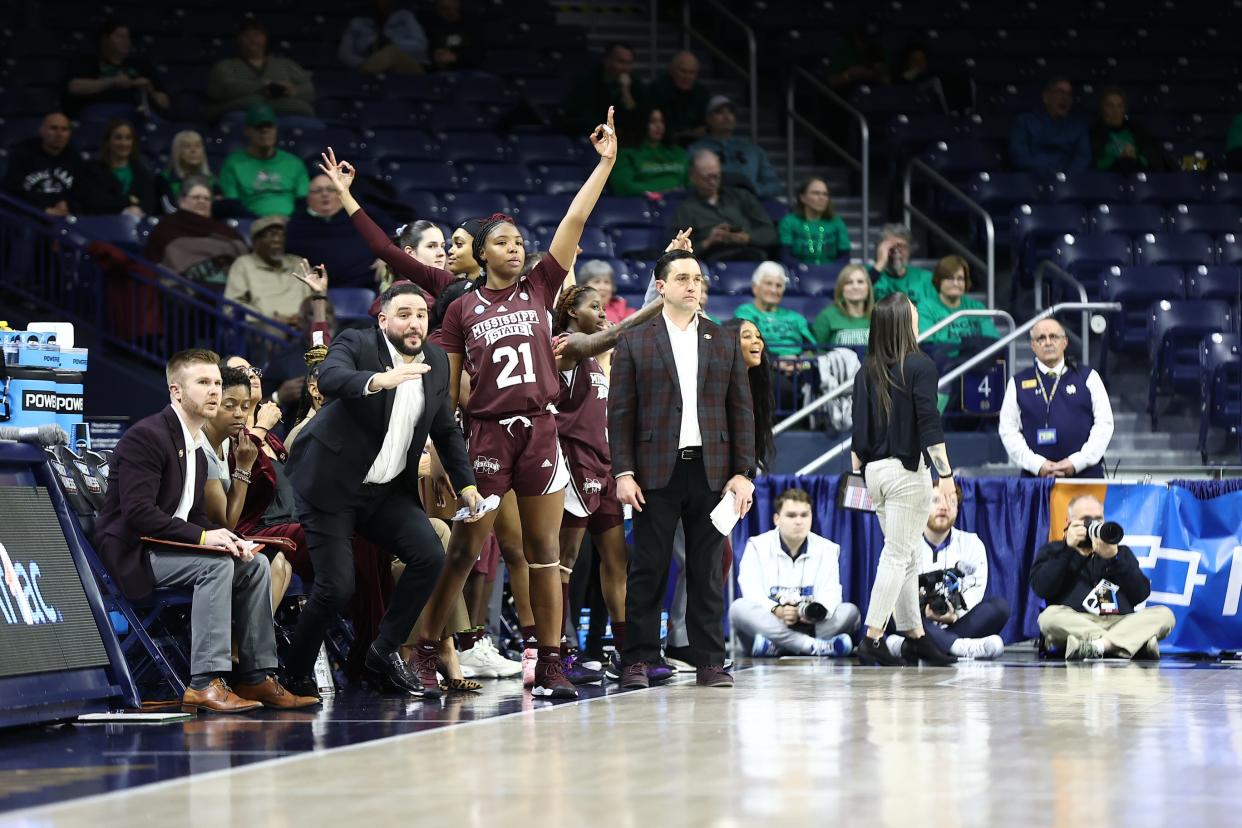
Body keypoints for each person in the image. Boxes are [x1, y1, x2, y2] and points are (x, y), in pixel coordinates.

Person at [399, 108, 620, 700]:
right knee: (468, 546)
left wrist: (604, 165)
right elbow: (443, 395)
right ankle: (424, 649)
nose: (516, 248)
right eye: (503, 242)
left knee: (544, 552)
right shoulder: (459, 309)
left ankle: (551, 661)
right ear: (482, 254)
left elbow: (574, 219)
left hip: (541, 432)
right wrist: (444, 456)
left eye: (520, 241)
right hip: (487, 434)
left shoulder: (544, 284)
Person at [282, 282, 482, 699]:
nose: (414, 323)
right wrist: (379, 380)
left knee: (429, 554)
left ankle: (382, 652)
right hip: (331, 483)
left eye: (422, 315)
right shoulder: (357, 342)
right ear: (383, 319)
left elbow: (445, 429)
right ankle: (295, 673)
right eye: (404, 314)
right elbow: (332, 378)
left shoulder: (436, 362)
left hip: (385, 489)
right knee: (336, 588)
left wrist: (466, 485)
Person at [90, 349, 317, 711]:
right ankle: (203, 684)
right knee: (216, 565)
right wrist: (204, 539)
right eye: (203, 383)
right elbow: (138, 514)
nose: (214, 391)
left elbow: (192, 514)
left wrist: (230, 538)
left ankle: (256, 678)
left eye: (216, 383)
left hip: (166, 546)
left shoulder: (194, 445)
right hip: (133, 552)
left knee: (253, 564)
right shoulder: (146, 437)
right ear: (176, 392)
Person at [610, 248, 757, 689]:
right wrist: (623, 472)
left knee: (707, 570)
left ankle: (709, 659)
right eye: (683, 279)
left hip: (712, 470)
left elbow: (741, 412)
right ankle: (637, 658)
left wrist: (743, 472)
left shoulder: (724, 339)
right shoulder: (635, 340)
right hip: (654, 470)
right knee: (648, 568)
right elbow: (620, 415)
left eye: (697, 279)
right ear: (661, 286)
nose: (693, 286)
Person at [550, 283, 665, 682]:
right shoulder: (564, 347)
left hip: (603, 465)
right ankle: (558, 651)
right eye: (593, 307)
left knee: (617, 562)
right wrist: (664, 299)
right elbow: (621, 330)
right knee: (563, 564)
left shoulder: (597, 361)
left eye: (603, 306)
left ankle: (626, 651)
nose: (602, 312)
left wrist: (660, 276)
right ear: (569, 313)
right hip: (571, 464)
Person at [663, 315, 775, 674]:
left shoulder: (754, 385)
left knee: (715, 560)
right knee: (708, 559)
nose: (756, 341)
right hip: (687, 481)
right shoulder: (707, 379)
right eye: (746, 335)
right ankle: (680, 640)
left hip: (722, 490)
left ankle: (689, 639)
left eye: (758, 336)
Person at [850, 293, 958, 667]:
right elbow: (930, 422)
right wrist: (945, 474)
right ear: (901, 323)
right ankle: (873, 637)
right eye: (914, 315)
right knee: (897, 556)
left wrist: (856, 483)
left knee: (908, 554)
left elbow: (857, 436)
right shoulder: (920, 365)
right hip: (907, 473)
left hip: (873, 473)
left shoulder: (866, 369)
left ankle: (915, 636)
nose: (918, 320)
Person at [1031, 494, 1175, 661]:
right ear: (1068, 522)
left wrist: (1114, 558)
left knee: (1165, 615)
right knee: (1048, 617)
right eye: (1086, 519)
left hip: (1121, 622)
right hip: (1077, 623)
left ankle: (1098, 647)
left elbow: (1141, 594)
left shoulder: (1120, 552)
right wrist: (1068, 552)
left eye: (1098, 519)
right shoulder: (1054, 551)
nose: (1093, 524)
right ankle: (1133, 644)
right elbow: (1042, 588)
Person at [883, 485, 1010, 661]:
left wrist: (952, 616)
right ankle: (959, 648)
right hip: (916, 622)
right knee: (891, 610)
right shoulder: (903, 543)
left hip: (957, 622)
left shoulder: (971, 544)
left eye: (951, 502)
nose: (943, 507)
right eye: (935, 501)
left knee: (999, 607)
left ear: (957, 509)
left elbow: (974, 594)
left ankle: (908, 647)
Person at [730, 487, 859, 657]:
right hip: (772, 622)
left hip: (808, 624)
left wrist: (808, 613)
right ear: (777, 519)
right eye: (791, 515)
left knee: (850, 612)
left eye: (804, 515)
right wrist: (777, 610)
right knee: (738, 609)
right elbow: (751, 590)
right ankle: (812, 646)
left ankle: (777, 646)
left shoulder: (828, 548)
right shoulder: (756, 545)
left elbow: (831, 592)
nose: (799, 521)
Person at [998, 317, 1113, 478]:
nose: (1048, 342)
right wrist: (1036, 464)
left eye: (1053, 336)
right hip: (1036, 480)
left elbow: (1104, 424)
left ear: (1064, 342)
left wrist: (1077, 462)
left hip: (1085, 476)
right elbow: (1008, 431)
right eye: (1041, 338)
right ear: (1033, 345)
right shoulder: (1017, 383)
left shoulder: (1088, 377)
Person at [144, 175, 249, 290]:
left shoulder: (224, 231)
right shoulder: (168, 226)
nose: (202, 201)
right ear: (182, 201)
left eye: (206, 198)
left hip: (227, 288)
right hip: (185, 292)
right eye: (196, 197)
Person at [670, 150, 777, 262]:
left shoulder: (742, 197)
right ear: (693, 177)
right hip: (711, 261)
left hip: (752, 256)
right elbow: (673, 252)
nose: (712, 182)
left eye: (716, 176)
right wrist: (708, 242)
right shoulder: (686, 209)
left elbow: (770, 234)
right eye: (707, 178)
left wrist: (746, 238)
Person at [205, 16, 316, 122]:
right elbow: (221, 91)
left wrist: (291, 90)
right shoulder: (224, 66)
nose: (252, 40)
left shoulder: (287, 64)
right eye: (247, 36)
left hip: (287, 115)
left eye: (257, 35)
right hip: (243, 115)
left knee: (312, 126)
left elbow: (309, 91)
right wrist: (261, 87)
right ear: (239, 39)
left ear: (265, 38)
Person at [286, 174, 387, 289]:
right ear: (308, 196)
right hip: (315, 287)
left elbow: (394, 233)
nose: (325, 194)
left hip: (365, 283)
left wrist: (386, 257)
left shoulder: (361, 213)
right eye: (318, 191)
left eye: (331, 189)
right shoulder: (297, 224)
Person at [218, 104, 310, 218]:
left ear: (276, 129)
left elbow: (303, 202)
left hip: (290, 223)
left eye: (269, 126)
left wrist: (292, 222)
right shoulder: (233, 163)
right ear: (247, 131)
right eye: (259, 127)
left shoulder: (294, 163)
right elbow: (232, 204)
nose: (265, 131)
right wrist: (262, 223)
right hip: (251, 224)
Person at [64, 19, 170, 118]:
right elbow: (73, 87)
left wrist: (150, 90)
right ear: (105, 39)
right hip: (97, 113)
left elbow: (165, 104)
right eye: (120, 36)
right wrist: (112, 82)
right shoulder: (86, 61)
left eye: (127, 37)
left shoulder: (142, 65)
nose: (126, 41)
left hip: (135, 114)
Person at [223, 215, 313, 326]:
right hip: (264, 327)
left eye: (281, 235)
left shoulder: (297, 263)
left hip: (302, 325)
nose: (277, 240)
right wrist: (269, 318)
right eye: (271, 235)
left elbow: (313, 298)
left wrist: (305, 317)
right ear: (255, 242)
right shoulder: (243, 265)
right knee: (273, 332)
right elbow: (232, 306)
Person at [689, 96, 782, 199]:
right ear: (708, 119)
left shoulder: (753, 150)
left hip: (748, 206)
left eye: (731, 112)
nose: (726, 116)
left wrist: (754, 190)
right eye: (719, 112)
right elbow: (688, 184)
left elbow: (775, 185)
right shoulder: (695, 150)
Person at [3, 112, 84, 216]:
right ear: (41, 130)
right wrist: (42, 209)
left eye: (64, 129)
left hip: (64, 216)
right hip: (28, 217)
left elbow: (82, 192)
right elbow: (12, 192)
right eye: (53, 128)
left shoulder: (74, 157)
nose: (59, 134)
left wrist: (68, 204)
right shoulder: (23, 154)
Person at [916, 255, 999, 354]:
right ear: (939, 281)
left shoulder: (976, 307)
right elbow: (927, 345)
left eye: (960, 279)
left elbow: (992, 341)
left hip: (974, 361)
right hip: (943, 365)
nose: (956, 283)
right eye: (950, 278)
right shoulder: (925, 307)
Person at [733, 261, 817, 358]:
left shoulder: (796, 318)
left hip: (797, 366)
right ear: (755, 288)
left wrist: (802, 363)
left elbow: (812, 350)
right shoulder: (744, 313)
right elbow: (746, 347)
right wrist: (775, 361)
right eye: (768, 284)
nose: (774, 290)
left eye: (779, 286)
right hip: (761, 368)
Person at [1009, 76, 1090, 173]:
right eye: (1060, 92)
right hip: (1031, 178)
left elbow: (1083, 158)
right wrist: (1049, 172)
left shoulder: (1078, 127)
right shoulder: (1024, 122)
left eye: (1069, 94)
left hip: (1067, 181)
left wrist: (1065, 177)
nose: (1065, 98)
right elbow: (1020, 157)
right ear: (1046, 97)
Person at [79, 118, 158, 216]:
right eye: (118, 137)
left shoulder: (142, 173)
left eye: (128, 138)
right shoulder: (91, 170)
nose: (123, 143)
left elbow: (148, 206)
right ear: (108, 141)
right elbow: (94, 204)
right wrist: (129, 203)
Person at [561, 43, 639, 135]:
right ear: (607, 61)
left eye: (629, 63)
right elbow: (581, 118)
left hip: (624, 140)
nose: (625, 68)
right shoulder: (586, 82)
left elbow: (638, 119)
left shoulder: (634, 84)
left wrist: (626, 93)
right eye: (621, 62)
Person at [1089, 87, 1171, 174]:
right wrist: (1118, 160)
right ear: (1102, 109)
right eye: (1110, 106)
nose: (1115, 111)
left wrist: (1136, 158)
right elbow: (1094, 165)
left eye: (1119, 106)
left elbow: (1152, 160)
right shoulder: (1093, 133)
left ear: (1124, 110)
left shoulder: (1137, 131)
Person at [609, 107, 689, 198]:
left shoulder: (679, 153)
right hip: (642, 204)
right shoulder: (626, 154)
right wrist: (660, 191)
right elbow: (623, 186)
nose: (659, 126)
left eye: (662, 121)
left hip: (681, 202)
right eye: (652, 121)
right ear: (642, 124)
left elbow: (691, 183)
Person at [339, 0, 429, 75]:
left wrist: (392, 45)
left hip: (409, 71)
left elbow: (420, 45)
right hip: (369, 68)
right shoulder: (357, 23)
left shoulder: (406, 17)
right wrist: (369, 61)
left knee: (391, 52)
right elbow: (344, 55)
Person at [778, 177, 851, 265]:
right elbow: (785, 256)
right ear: (803, 197)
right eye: (816, 193)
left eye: (825, 194)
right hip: (799, 273)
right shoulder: (789, 222)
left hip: (831, 273)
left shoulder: (837, 222)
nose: (822, 198)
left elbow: (845, 257)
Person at [642, 51, 709, 145]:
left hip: (693, 143)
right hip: (661, 142)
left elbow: (704, 125)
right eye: (683, 71)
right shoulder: (657, 89)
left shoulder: (702, 93)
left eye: (691, 72)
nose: (687, 76)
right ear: (672, 70)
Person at [869, 223, 935, 306]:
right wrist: (881, 262)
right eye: (890, 247)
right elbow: (858, 291)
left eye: (901, 246)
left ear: (910, 249)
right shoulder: (868, 274)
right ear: (880, 249)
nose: (896, 251)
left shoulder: (925, 278)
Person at [812, 263, 873, 347]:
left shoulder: (878, 315)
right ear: (841, 288)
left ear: (868, 288)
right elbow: (815, 351)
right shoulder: (826, 316)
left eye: (860, 282)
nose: (855, 286)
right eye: (849, 282)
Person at [160, 131, 218, 208]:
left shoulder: (213, 181)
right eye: (187, 146)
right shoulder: (164, 180)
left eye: (197, 146)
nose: (193, 151)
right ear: (178, 152)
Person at [423, 0, 482, 71]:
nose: (447, 12)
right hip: (440, 71)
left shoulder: (472, 23)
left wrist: (456, 57)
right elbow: (429, 49)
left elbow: (479, 53)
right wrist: (436, 56)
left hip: (469, 70)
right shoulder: (431, 24)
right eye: (442, 8)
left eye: (449, 8)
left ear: (457, 4)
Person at [579, 259, 633, 325]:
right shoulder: (578, 312)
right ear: (584, 286)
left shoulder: (627, 311)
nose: (602, 287)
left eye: (607, 282)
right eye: (597, 281)